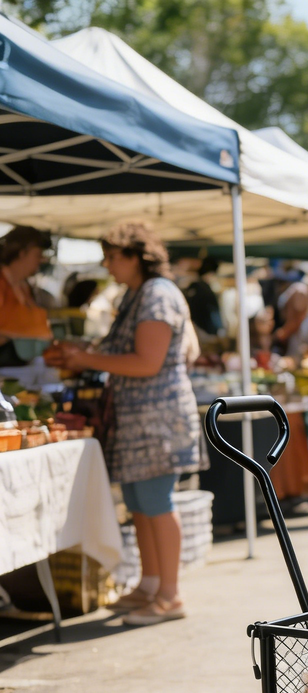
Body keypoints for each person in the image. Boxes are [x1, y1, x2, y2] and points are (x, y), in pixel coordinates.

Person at [44, 221, 204, 625]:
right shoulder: (140, 294)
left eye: (114, 256)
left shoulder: (156, 294)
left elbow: (148, 362)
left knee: (154, 503)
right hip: (139, 420)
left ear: (137, 256)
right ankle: (151, 585)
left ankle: (170, 594)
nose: (107, 263)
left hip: (156, 420)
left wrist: (85, 358)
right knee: (139, 504)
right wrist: (86, 352)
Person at [0, 226, 53, 364]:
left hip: (26, 366)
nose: (41, 260)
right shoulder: (2, 284)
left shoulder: (24, 287)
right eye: (38, 254)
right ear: (22, 253)